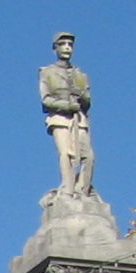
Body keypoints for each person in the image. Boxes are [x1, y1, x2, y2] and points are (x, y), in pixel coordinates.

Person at [39, 32, 95, 197]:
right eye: (62, 44)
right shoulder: (47, 72)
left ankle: (82, 191)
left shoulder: (80, 75)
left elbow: (88, 100)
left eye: (70, 45)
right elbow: (46, 100)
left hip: (79, 119)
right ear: (55, 48)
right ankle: (68, 191)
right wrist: (66, 105)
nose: (67, 48)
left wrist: (82, 98)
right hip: (60, 119)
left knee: (89, 156)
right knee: (66, 154)